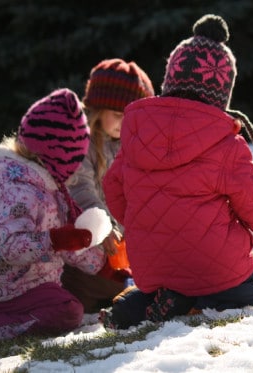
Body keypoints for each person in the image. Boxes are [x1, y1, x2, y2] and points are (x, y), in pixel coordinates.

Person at [100, 14, 253, 329]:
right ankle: (194, 304)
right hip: (218, 273)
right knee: (242, 293)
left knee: (158, 289)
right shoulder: (225, 143)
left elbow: (113, 190)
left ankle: (149, 303)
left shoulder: (136, 136)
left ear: (169, 81)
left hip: (153, 270)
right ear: (223, 93)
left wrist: (145, 221)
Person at [0, 88, 107, 344]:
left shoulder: (50, 187)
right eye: (75, 160)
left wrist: (97, 257)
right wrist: (56, 241)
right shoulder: (18, 189)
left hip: (21, 282)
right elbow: (12, 247)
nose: (76, 169)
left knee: (66, 298)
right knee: (68, 311)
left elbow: (65, 240)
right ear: (58, 157)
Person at [62, 58, 155, 313]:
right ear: (96, 108)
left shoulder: (132, 144)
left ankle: (118, 288)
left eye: (131, 117)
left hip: (120, 246)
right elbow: (80, 187)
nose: (124, 123)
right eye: (117, 115)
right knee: (97, 284)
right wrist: (102, 223)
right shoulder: (83, 144)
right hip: (88, 238)